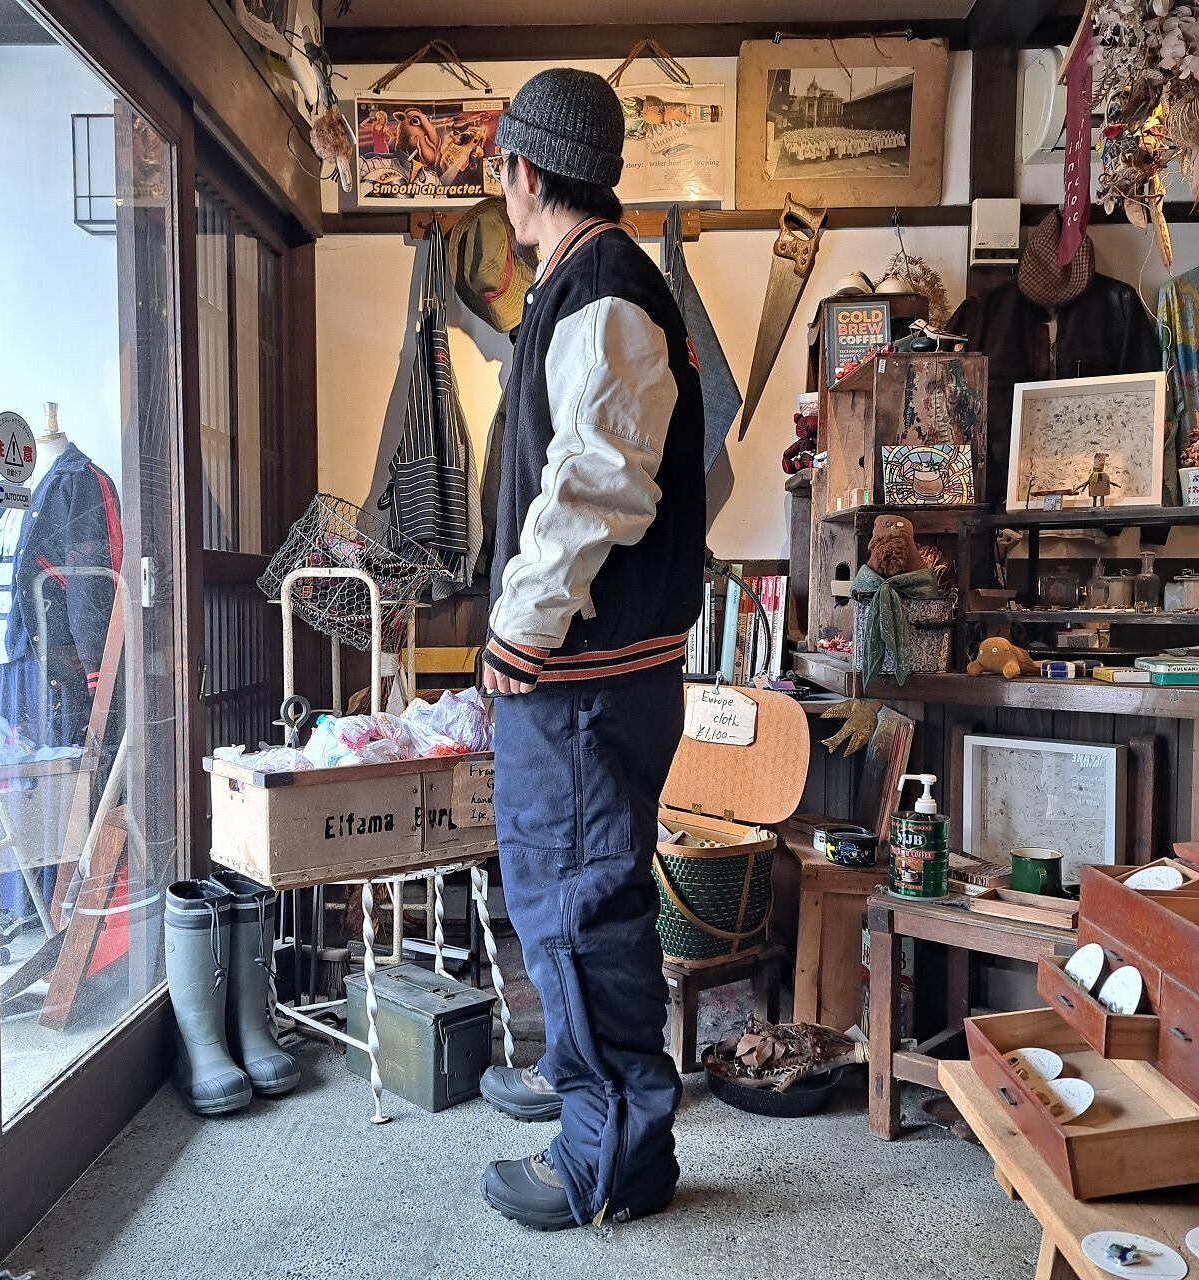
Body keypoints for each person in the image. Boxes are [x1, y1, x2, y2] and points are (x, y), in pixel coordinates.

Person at [475, 67, 705, 1231]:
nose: (499, 188)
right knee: (582, 892)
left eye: (498, 170)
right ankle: (594, 1092)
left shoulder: (600, 289)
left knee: (573, 901)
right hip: (599, 667)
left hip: (577, 669)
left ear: (523, 171)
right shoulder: (592, 283)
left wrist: (518, 627)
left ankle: (607, 1151)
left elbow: (595, 480)